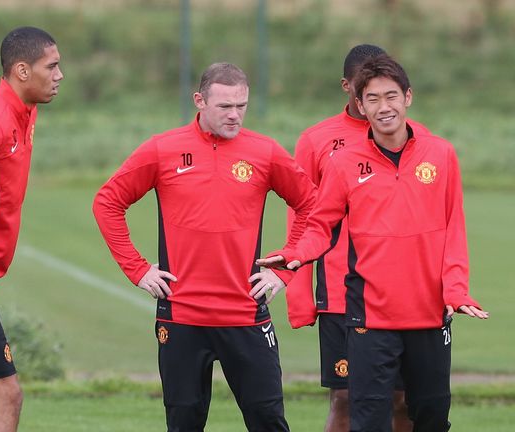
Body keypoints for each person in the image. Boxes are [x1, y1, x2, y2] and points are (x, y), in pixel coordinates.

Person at [258, 54, 488, 432]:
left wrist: (457, 291)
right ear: (360, 106)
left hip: (429, 314)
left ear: (408, 97)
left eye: (392, 96)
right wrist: (294, 255)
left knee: (430, 417)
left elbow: (454, 230)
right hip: (369, 319)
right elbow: (321, 225)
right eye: (374, 99)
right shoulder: (344, 163)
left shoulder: (441, 154)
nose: (385, 107)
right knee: (366, 418)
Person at [93, 62, 317, 431]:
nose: (234, 115)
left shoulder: (265, 152)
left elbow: (312, 206)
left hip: (245, 314)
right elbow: (107, 202)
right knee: (183, 423)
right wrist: (137, 268)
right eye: (224, 106)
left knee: (269, 421)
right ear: (199, 101)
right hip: (181, 317)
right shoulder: (162, 150)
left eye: (241, 106)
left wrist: (285, 267)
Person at [287, 44, 427, 432]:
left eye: (386, 90)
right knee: (347, 398)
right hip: (339, 292)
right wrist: (300, 295)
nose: (376, 98)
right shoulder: (316, 141)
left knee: (403, 401)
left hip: (403, 292)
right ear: (348, 87)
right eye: (365, 88)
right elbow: (302, 218)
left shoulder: (418, 140)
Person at [0, 26, 63, 431]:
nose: (59, 75)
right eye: (51, 66)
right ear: (21, 70)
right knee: (5, 395)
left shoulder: (25, 107)